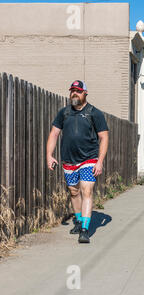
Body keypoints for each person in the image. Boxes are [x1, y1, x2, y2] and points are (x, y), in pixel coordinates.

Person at [46, 80, 109, 244]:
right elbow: (54, 134)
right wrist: (49, 155)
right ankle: (79, 220)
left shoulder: (94, 113)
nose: (74, 93)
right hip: (68, 160)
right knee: (74, 192)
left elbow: (104, 137)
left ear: (85, 93)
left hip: (89, 158)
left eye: (78, 91)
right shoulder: (64, 113)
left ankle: (84, 229)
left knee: (86, 191)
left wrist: (100, 161)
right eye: (72, 91)